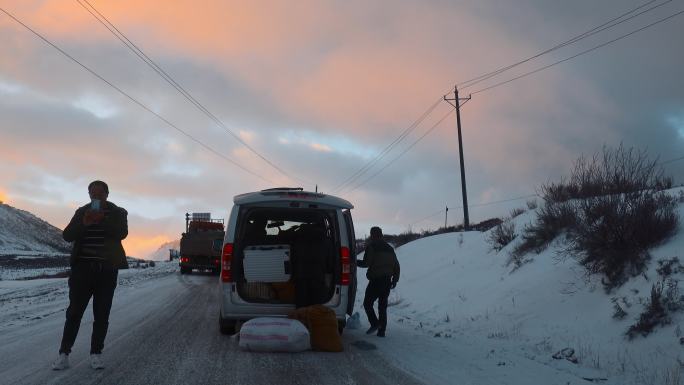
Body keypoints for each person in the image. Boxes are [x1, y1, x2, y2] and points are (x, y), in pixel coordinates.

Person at [52, 180, 128, 370]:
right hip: (82, 271)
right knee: (74, 313)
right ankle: (64, 354)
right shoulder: (81, 212)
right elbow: (67, 235)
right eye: (92, 194)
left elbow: (121, 233)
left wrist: (103, 219)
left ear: (107, 194)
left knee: (101, 314)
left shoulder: (118, 212)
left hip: (107, 271)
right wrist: (84, 223)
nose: (95, 197)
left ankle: (96, 354)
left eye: (99, 194)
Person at [356, 226, 400, 337]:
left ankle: (375, 323)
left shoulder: (372, 247)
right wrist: (395, 280)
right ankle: (382, 332)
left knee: (367, 304)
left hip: (376, 281)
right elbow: (396, 266)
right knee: (382, 306)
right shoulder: (390, 248)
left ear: (372, 235)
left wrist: (354, 261)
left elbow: (366, 263)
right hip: (387, 282)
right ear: (381, 234)